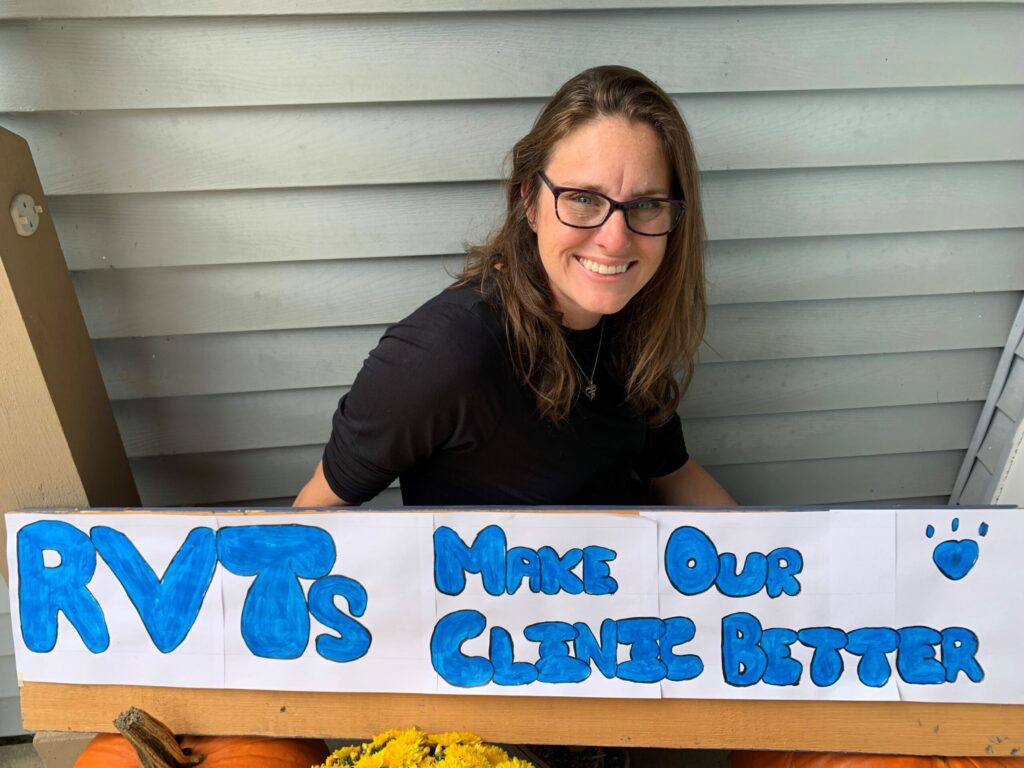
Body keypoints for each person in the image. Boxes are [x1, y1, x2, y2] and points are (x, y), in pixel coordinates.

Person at [294, 65, 735, 508]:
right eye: (583, 198)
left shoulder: (631, 314)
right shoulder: (444, 352)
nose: (615, 239)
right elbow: (311, 518)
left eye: (646, 204)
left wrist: (770, 545)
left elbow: (671, 470)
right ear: (529, 203)